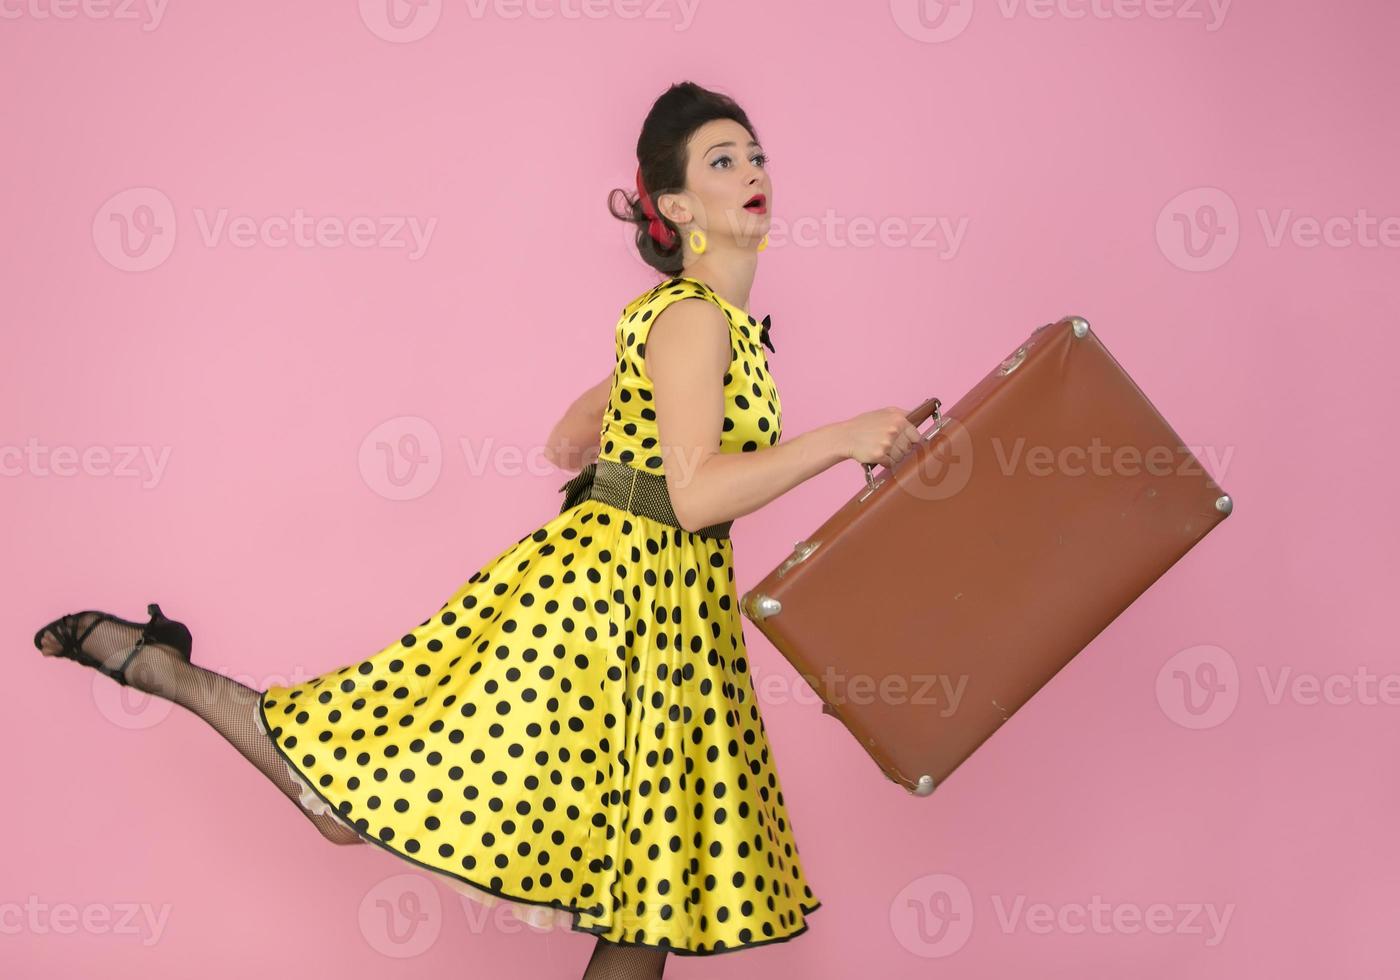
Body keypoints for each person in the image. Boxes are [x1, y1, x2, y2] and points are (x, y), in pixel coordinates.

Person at [31, 80, 922, 979]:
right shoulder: (694, 320)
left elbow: (569, 444)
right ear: (681, 207)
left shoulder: (699, 325)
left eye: (756, 155)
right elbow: (692, 498)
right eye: (723, 161)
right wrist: (840, 441)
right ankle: (167, 669)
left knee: (648, 908)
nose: (752, 171)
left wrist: (637, 420)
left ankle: (160, 662)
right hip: (613, 613)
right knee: (363, 810)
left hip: (666, 617)